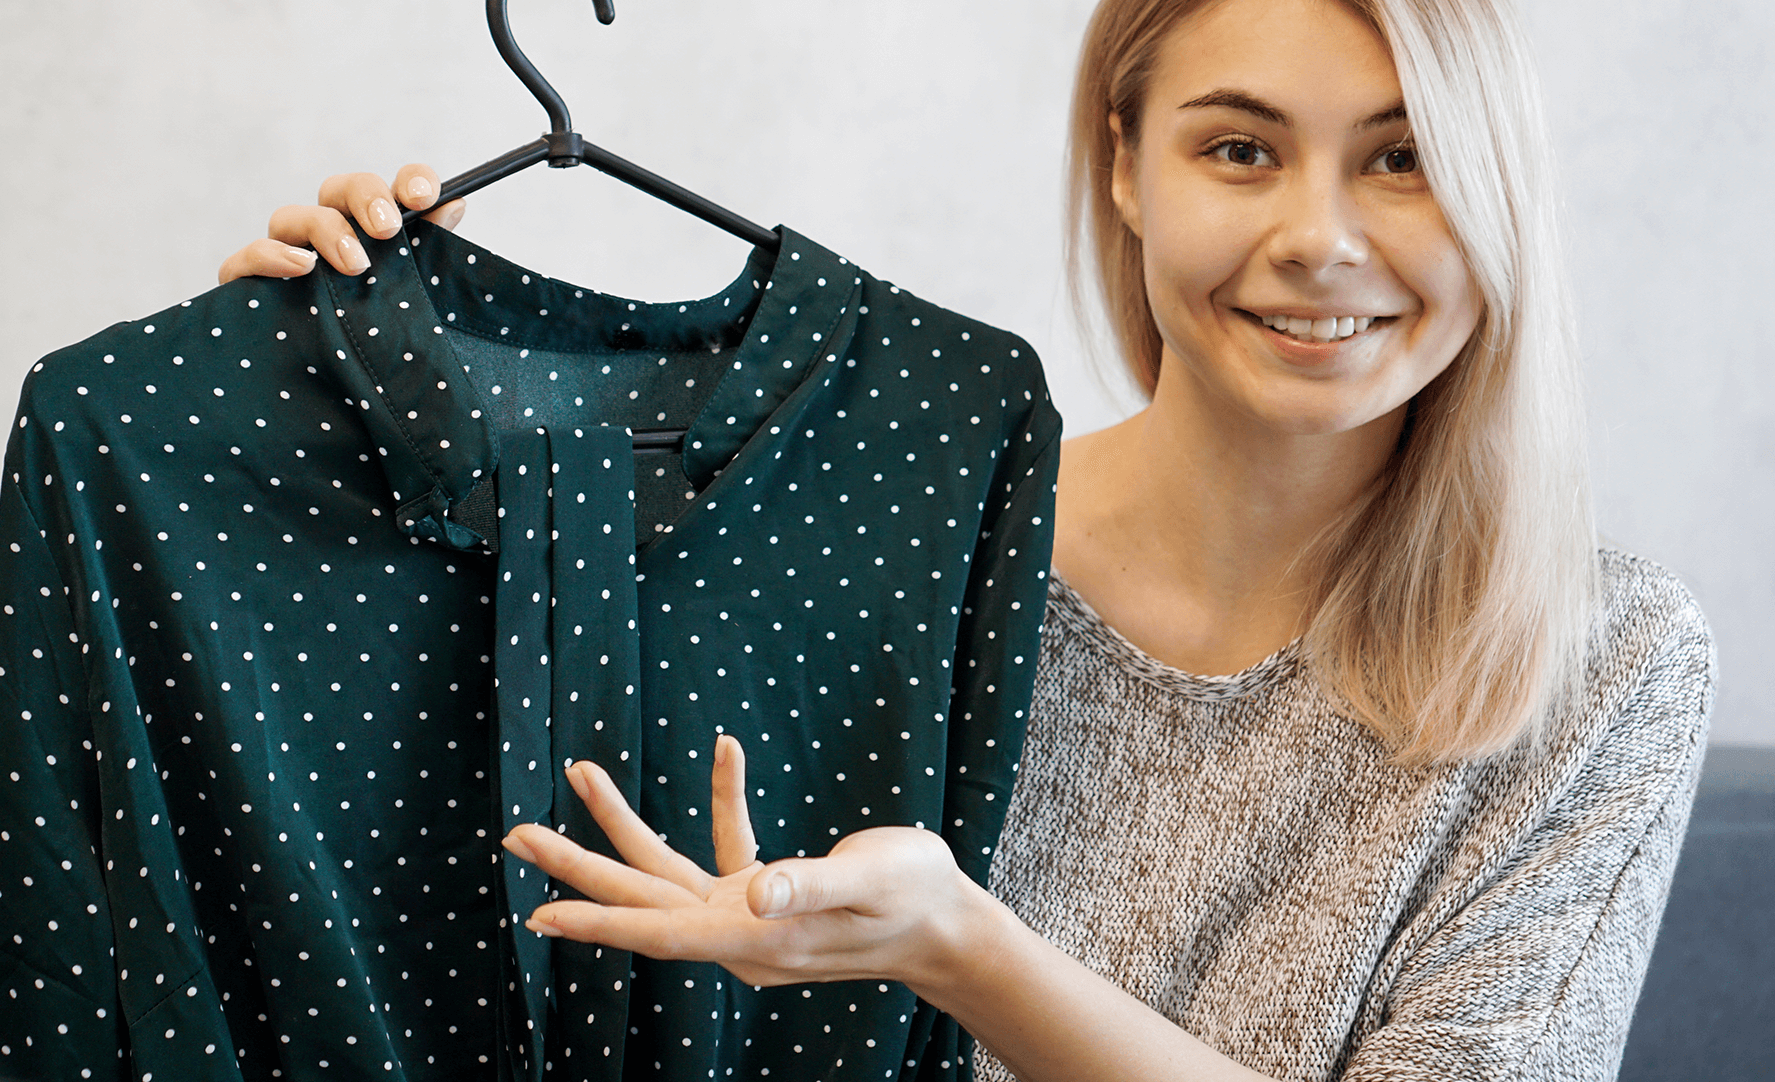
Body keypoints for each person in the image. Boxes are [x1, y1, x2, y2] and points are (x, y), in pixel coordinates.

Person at [219, 0, 1714, 1078]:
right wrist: (310, 423)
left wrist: (963, 947)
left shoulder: (1606, 666)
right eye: (1242, 149)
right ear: (1126, 166)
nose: (1320, 236)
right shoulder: (905, 539)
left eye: (1402, 159)